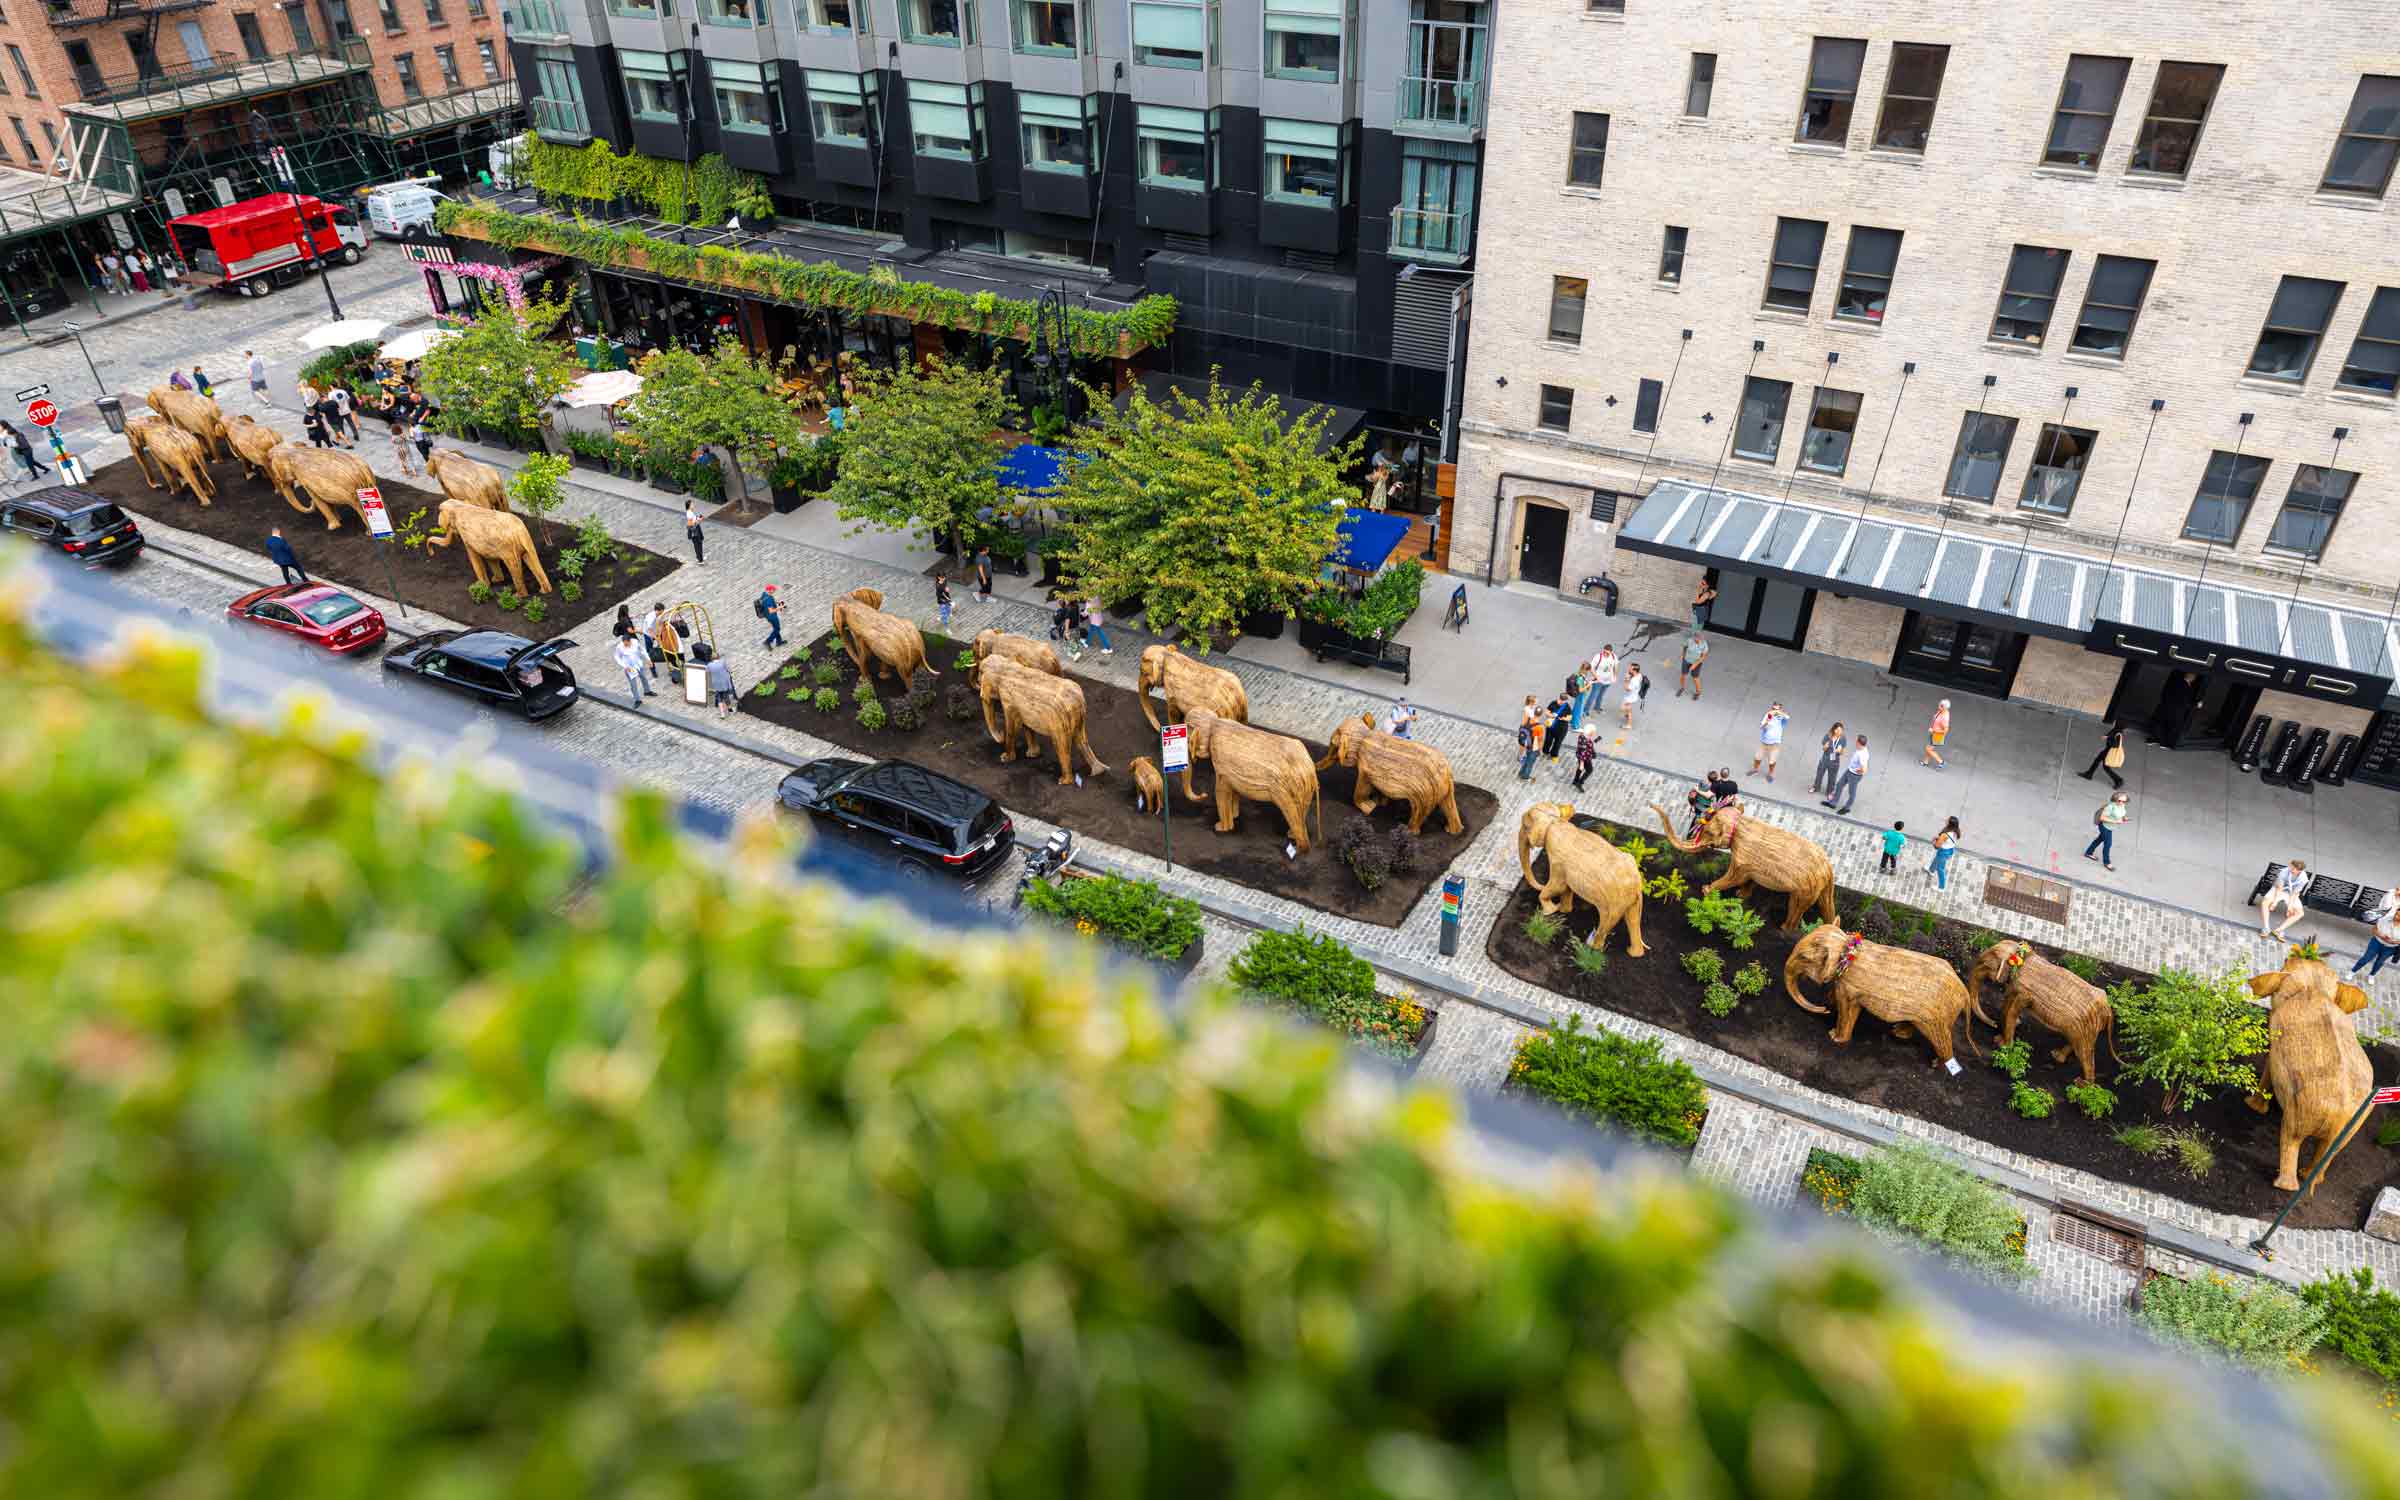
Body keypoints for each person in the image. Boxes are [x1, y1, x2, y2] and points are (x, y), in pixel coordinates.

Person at [2351, 889, 2400, 980]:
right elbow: (2374, 929)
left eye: (2399, 916)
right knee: (2366, 958)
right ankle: (2352, 971)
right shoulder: (2386, 918)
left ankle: (2372, 975)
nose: (2396, 916)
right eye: (2396, 914)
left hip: (2390, 948)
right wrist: (2381, 936)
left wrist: (2394, 941)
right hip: (2377, 942)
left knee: (2379, 962)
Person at [2260, 860, 2312, 939]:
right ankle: (2266, 928)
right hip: (2279, 890)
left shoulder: (2303, 879)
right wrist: (2275, 903)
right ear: (2291, 865)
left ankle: (2279, 930)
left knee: (2300, 913)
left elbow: (2295, 893)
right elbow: (2279, 888)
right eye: (2293, 868)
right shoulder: (2284, 872)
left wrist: (2289, 907)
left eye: (2297, 870)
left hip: (2291, 894)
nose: (2294, 871)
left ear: (2301, 870)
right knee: (2265, 903)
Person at [2084, 791, 2129, 871]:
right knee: (2108, 844)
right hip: (2105, 827)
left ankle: (2088, 852)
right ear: (2115, 799)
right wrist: (2116, 821)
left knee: (2099, 839)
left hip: (2110, 827)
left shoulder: (2122, 806)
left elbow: (2121, 813)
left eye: (2124, 801)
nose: (2121, 802)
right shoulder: (2110, 807)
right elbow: (2102, 818)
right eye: (2119, 800)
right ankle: (2107, 862)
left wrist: (2124, 818)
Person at [1824, 734, 1869, 815]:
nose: (1855, 742)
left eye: (1856, 741)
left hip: (1854, 775)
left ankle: (1846, 808)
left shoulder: (1862, 754)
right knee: (1839, 785)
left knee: (1852, 793)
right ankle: (1833, 803)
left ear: (1859, 743)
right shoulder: (1861, 749)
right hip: (1849, 771)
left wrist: (1859, 771)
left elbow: (1864, 769)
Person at [2079, 723, 2128, 789]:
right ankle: (2089, 774)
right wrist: (2107, 736)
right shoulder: (2116, 730)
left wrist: (2108, 737)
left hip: (2108, 752)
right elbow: (2111, 733)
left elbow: (2115, 745)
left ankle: (2119, 780)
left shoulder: (2118, 733)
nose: (2115, 723)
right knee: (2098, 761)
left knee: (2105, 766)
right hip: (2107, 750)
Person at [613, 632, 655, 707]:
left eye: (627, 643)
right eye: (624, 643)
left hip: (638, 664)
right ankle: (637, 699)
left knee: (643, 677)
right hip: (629, 667)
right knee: (633, 684)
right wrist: (624, 666)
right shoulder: (619, 647)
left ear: (630, 641)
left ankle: (647, 691)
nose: (625, 645)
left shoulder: (635, 642)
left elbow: (642, 650)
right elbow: (616, 657)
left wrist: (648, 659)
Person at [1751, 701, 1789, 781]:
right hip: (1764, 742)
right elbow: (1762, 727)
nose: (1774, 711)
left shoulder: (1782, 719)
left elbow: (1787, 717)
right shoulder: (1768, 716)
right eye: (1773, 708)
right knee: (1757, 758)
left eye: (1776, 709)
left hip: (1775, 744)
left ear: (1780, 709)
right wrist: (1767, 721)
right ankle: (1755, 769)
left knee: (1772, 761)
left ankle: (1770, 773)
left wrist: (1778, 712)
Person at [1811, 722, 1847, 797]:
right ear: (1834, 730)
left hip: (1835, 761)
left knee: (1832, 778)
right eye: (1838, 730)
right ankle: (1816, 787)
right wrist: (1826, 746)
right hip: (1825, 758)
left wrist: (1839, 751)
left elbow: (1842, 752)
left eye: (1841, 731)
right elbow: (1823, 748)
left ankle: (1829, 792)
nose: (1839, 732)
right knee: (1819, 774)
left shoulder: (1842, 739)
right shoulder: (1828, 736)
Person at [1541, 687, 1574, 764]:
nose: (1562, 702)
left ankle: (1554, 755)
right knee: (1548, 741)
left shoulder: (1567, 706)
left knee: (1558, 743)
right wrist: (1552, 715)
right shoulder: (1553, 703)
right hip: (1551, 727)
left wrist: (1563, 718)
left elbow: (1570, 718)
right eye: (1561, 701)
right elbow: (1546, 712)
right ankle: (1545, 752)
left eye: (1564, 701)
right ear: (1559, 698)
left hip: (1561, 729)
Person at [1584, 646, 1617, 720]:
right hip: (1598, 681)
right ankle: (1585, 711)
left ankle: (1597, 707)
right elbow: (1591, 668)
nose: (1605, 654)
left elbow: (1616, 666)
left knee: (1601, 695)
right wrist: (1597, 677)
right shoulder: (1598, 657)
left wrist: (1615, 676)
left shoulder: (1614, 657)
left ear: (1611, 652)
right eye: (1604, 652)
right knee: (1593, 696)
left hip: (1608, 681)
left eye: (1607, 653)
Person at [1930, 817, 1961, 891]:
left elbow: (1937, 846)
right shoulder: (1956, 831)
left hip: (1943, 852)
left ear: (1949, 824)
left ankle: (1941, 887)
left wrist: (1934, 841)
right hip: (1950, 850)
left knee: (1940, 869)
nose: (1945, 820)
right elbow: (1947, 840)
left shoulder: (1944, 835)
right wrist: (1940, 839)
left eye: (1947, 820)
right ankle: (1931, 870)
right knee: (1936, 859)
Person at [653, 604, 685, 677]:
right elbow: (664, 620)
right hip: (666, 637)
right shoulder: (659, 618)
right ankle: (678, 667)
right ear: (659, 610)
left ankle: (681, 664)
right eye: (662, 610)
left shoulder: (661, 617)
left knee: (677, 649)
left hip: (669, 635)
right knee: (672, 651)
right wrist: (672, 609)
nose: (663, 612)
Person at [1676, 631, 1708, 699]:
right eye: (1696, 638)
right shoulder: (1689, 640)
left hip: (1697, 662)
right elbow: (1685, 647)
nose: (1697, 640)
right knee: (1683, 675)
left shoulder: (1704, 644)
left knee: (1695, 678)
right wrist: (1683, 654)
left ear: (1701, 638)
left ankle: (1698, 692)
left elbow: (1703, 657)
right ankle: (1682, 688)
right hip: (1687, 660)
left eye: (1699, 638)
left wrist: (1694, 665)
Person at [638, 602, 665, 681]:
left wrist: (660, 633)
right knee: (649, 653)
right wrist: (657, 638)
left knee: (663, 644)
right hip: (648, 635)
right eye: (660, 612)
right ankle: (653, 670)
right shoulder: (651, 617)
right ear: (657, 611)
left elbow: (661, 623)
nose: (661, 614)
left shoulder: (659, 615)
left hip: (655, 632)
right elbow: (650, 631)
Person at [1923, 699, 1951, 770]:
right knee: (1929, 748)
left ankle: (1941, 762)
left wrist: (1934, 730)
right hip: (1934, 733)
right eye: (1939, 705)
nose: (1939, 706)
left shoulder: (1944, 717)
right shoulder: (1942, 711)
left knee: (1928, 749)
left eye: (1941, 706)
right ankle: (1925, 761)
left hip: (1937, 735)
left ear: (1944, 707)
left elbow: (1945, 731)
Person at [1572, 723, 1600, 791]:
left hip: (1586, 755)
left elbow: (1589, 743)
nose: (1594, 733)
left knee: (1580, 768)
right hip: (1585, 758)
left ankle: (1575, 780)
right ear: (1589, 731)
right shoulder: (1583, 739)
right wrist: (1582, 763)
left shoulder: (1585, 736)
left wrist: (1593, 752)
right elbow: (1582, 752)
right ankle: (1580, 783)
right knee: (1589, 770)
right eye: (1593, 731)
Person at [1619, 664, 1648, 729]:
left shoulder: (1634, 681)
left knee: (1623, 708)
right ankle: (1627, 714)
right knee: (1627, 708)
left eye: (1630, 669)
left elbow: (1627, 689)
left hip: (1630, 698)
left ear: (1634, 671)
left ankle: (1629, 724)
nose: (1629, 669)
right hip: (1634, 695)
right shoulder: (1639, 675)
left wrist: (1626, 679)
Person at [1516, 713, 1540, 782]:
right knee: (1529, 764)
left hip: (1527, 746)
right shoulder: (1538, 727)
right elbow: (1538, 740)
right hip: (1533, 748)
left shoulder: (1525, 724)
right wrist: (1539, 750)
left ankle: (1521, 773)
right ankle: (1525, 776)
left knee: (1527, 760)